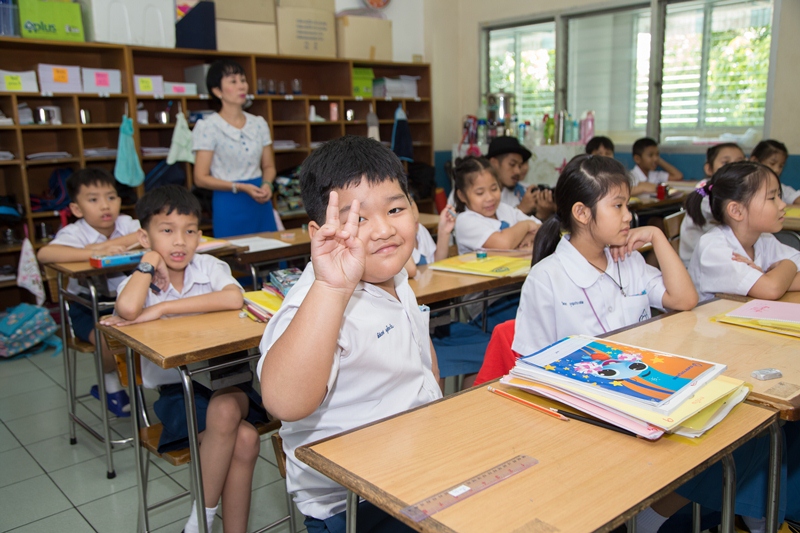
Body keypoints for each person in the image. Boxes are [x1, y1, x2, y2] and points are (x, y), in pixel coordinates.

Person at [258, 135, 441, 533]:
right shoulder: (320, 301)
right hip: (353, 506)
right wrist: (332, 289)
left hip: (419, 473)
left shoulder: (392, 276)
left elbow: (421, 361)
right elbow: (283, 402)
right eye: (358, 217)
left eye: (395, 208)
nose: (383, 229)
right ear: (319, 232)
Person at [101, 186, 267, 533]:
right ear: (145, 236)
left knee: (224, 410)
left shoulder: (209, 265)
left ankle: (199, 523)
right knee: (247, 438)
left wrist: (162, 308)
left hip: (228, 381)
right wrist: (148, 262)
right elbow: (128, 309)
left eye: (190, 231)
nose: (180, 242)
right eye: (167, 231)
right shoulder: (140, 280)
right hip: (178, 395)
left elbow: (234, 299)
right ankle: (210, 524)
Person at [511, 154, 697, 358]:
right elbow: (533, 361)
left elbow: (684, 300)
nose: (627, 216)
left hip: (633, 375)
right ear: (582, 213)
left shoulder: (628, 259)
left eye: (627, 206)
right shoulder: (545, 278)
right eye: (618, 206)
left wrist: (656, 235)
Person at [37, 167, 139, 417]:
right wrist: (96, 251)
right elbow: (45, 254)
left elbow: (145, 235)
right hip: (87, 308)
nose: (105, 206)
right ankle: (110, 385)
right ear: (77, 209)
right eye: (93, 199)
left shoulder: (126, 223)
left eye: (111, 197)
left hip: (129, 302)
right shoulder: (74, 232)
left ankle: (158, 384)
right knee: (108, 341)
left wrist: (110, 244)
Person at [687, 161, 800, 301]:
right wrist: (787, 265)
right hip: (704, 322)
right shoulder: (714, 248)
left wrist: (772, 278)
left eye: (779, 196)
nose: (783, 205)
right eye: (772, 198)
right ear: (736, 210)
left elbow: (773, 286)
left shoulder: (764, 239)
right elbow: (772, 289)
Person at [193, 59, 278, 238]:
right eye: (233, 81)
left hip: (260, 199)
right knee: (234, 258)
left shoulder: (258, 123)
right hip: (228, 201)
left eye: (243, 80)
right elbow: (200, 178)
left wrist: (267, 184)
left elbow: (269, 166)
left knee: (270, 252)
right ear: (217, 91)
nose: (242, 86)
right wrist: (239, 187)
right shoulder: (208, 127)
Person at [452, 156, 540, 255]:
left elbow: (541, 228)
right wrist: (526, 225)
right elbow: (503, 244)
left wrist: (528, 236)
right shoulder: (465, 221)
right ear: (462, 196)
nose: (490, 198)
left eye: (494, 189)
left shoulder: (504, 209)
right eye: (480, 193)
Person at [678, 143, 745, 266]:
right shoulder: (704, 192)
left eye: (740, 162)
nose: (733, 167)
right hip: (695, 262)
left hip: (716, 256)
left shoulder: (735, 191)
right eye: (725, 163)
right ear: (709, 169)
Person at [403, 191, 455, 277]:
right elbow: (411, 271)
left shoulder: (420, 230)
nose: (413, 214)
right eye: (399, 209)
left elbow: (436, 262)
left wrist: (444, 232)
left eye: (411, 202)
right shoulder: (393, 243)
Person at [750, 139, 800, 205]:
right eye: (772, 163)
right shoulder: (742, 186)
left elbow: (796, 198)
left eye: (781, 166)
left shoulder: (781, 189)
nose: (777, 170)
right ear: (755, 161)